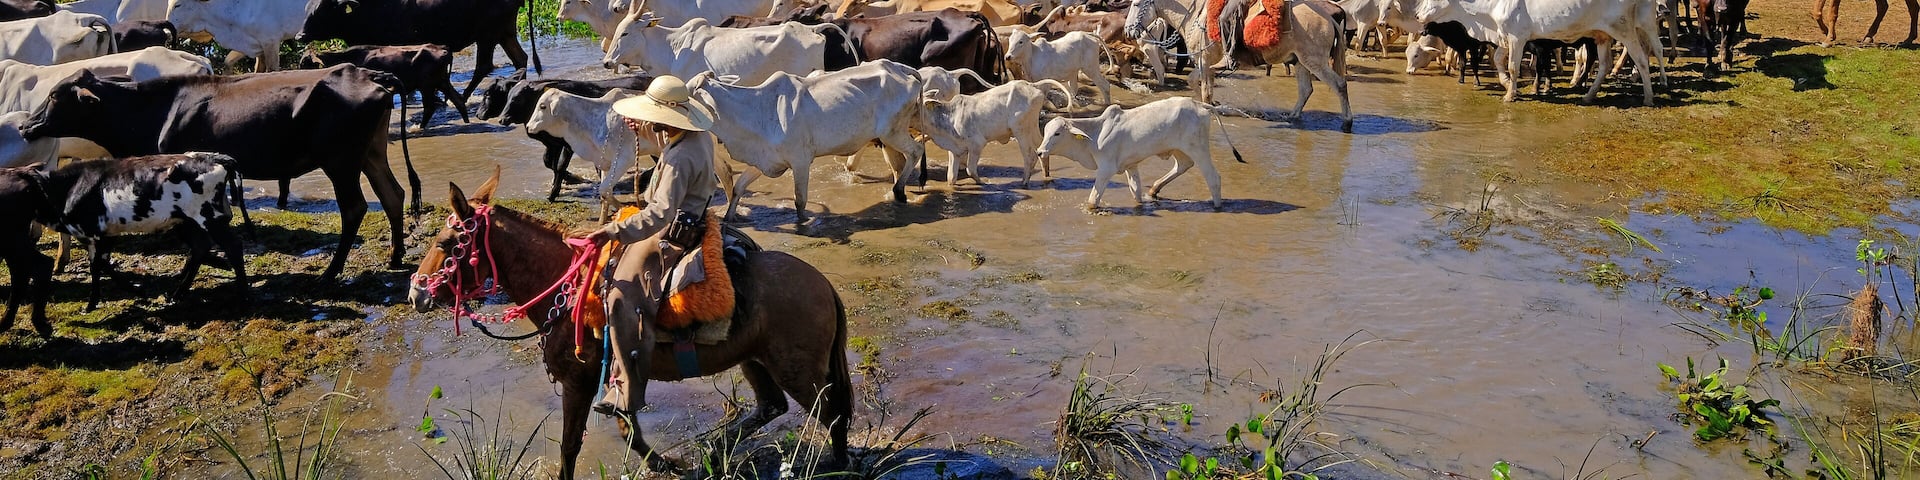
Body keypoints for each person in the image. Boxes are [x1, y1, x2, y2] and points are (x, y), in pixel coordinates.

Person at [584, 75, 722, 417]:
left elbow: (660, 212)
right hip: (694, 215)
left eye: (651, 119)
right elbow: (668, 146)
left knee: (619, 296)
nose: (648, 124)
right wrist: (646, 130)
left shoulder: (679, 158)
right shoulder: (694, 136)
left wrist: (614, 231)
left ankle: (627, 389)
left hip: (672, 234)